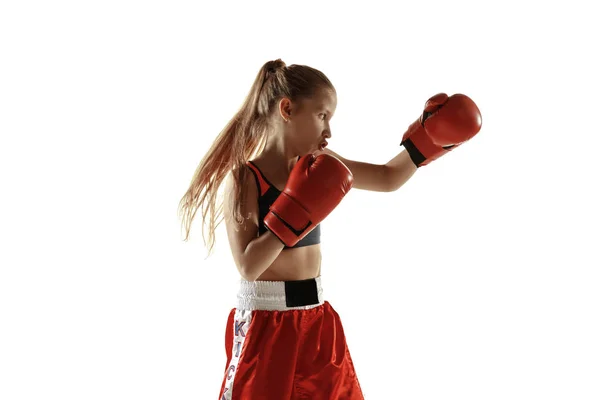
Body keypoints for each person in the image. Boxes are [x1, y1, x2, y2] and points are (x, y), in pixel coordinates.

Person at [177, 59, 482, 399]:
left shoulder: (321, 166)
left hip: (317, 321)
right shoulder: (245, 178)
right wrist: (294, 211)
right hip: (266, 323)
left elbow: (386, 177)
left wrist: (426, 140)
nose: (329, 131)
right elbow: (249, 266)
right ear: (287, 109)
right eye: (322, 116)